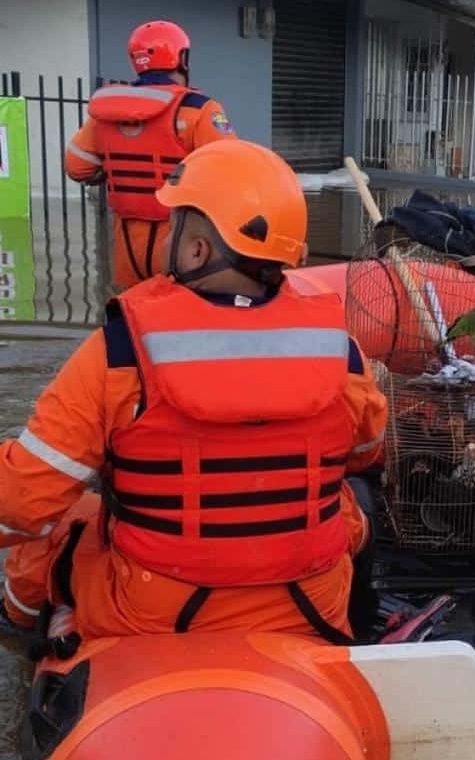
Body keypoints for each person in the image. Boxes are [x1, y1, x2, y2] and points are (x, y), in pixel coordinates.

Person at [0, 140, 387, 644]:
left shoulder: (120, 349)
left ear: (197, 248)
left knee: (59, 521)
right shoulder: (340, 346)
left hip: (158, 611)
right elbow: (365, 451)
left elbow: (23, 500)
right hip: (309, 604)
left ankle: (23, 631)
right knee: (354, 504)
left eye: (174, 224)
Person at [65, 20, 237, 289]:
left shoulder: (108, 111)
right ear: (181, 58)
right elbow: (231, 170)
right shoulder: (199, 109)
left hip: (126, 246)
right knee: (179, 316)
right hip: (180, 240)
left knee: (131, 315)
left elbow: (76, 167)